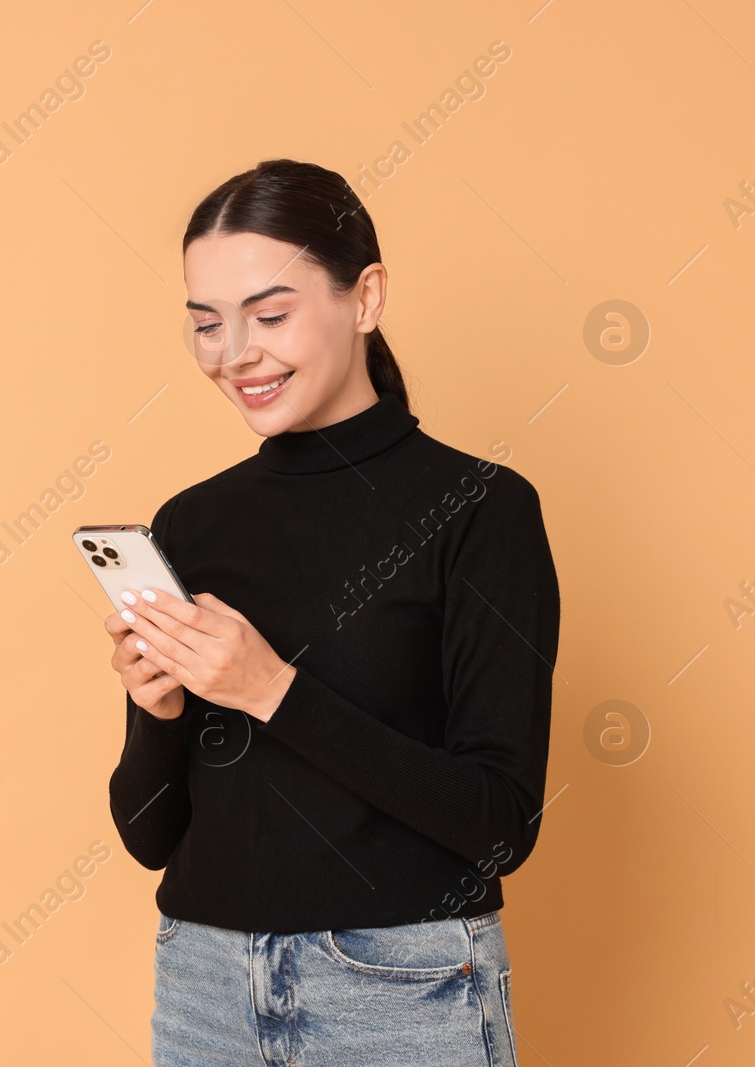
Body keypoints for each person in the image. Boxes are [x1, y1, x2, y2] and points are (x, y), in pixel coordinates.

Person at [103, 158, 559, 1065]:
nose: (235, 353)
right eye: (207, 323)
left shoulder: (479, 508)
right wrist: (158, 716)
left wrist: (272, 689)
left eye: (270, 315)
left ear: (366, 296)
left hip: (405, 990)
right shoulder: (190, 522)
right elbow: (148, 835)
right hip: (204, 986)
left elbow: (501, 824)